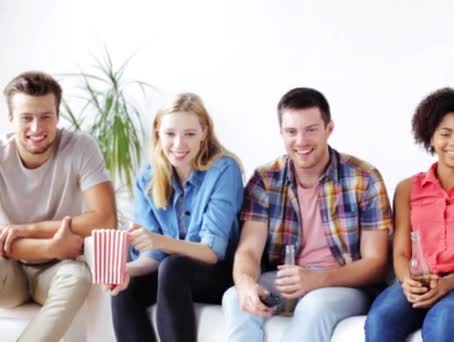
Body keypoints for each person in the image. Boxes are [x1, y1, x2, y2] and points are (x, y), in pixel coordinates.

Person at [222, 87, 392, 342]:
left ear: (329, 128)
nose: (301, 141)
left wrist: (317, 279)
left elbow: (376, 264)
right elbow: (249, 249)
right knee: (235, 297)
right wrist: (246, 283)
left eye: (311, 130)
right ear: (281, 133)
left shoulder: (364, 178)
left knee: (313, 306)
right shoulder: (265, 181)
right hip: (285, 288)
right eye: (291, 131)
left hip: (343, 288)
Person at [365, 88, 454, 342]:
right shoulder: (407, 188)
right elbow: (400, 254)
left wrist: (449, 284)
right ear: (430, 137)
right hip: (420, 281)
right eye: (445, 134)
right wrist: (407, 281)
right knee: (380, 320)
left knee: (443, 320)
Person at [110, 93, 243, 342]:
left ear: (204, 132)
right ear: (158, 132)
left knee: (173, 267)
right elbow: (153, 255)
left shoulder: (224, 170)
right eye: (170, 134)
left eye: (190, 134)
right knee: (125, 288)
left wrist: (159, 241)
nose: (179, 144)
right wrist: (127, 270)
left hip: (217, 273)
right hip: (170, 274)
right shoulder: (148, 177)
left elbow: (212, 252)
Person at [0, 71, 117, 342]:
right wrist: (52, 245)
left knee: (78, 277)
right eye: (26, 118)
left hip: (58, 270)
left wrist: (28, 229)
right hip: (10, 271)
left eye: (45, 117)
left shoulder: (80, 148)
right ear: (11, 119)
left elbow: (105, 219)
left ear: (58, 116)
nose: (37, 128)